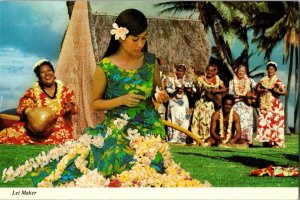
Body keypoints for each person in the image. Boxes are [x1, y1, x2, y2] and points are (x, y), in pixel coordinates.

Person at [2, 9, 208, 188]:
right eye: (135, 39)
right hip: (117, 129)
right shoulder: (105, 66)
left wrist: (161, 97)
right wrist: (122, 100)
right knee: (115, 162)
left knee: (151, 166)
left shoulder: (151, 62)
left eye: (144, 38)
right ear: (120, 36)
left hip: (149, 128)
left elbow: (156, 92)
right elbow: (95, 104)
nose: (140, 44)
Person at [0, 59, 78, 144]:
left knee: (63, 137)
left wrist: (69, 110)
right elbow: (21, 108)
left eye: (49, 70)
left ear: (53, 72)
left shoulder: (66, 91)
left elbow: (75, 109)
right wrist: (31, 113)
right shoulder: (32, 92)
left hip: (58, 127)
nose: (47, 73)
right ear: (39, 77)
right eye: (42, 72)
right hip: (34, 130)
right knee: (10, 134)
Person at [191, 64, 227, 141]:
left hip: (211, 104)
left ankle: (207, 138)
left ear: (214, 71)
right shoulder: (201, 79)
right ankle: (197, 138)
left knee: (208, 120)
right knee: (198, 119)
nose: (209, 72)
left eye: (211, 70)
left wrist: (216, 90)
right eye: (208, 70)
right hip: (201, 102)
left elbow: (225, 89)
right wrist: (199, 89)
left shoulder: (217, 79)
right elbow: (198, 91)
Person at [255, 61, 286, 148]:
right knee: (264, 122)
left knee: (274, 123)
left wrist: (276, 91)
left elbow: (284, 91)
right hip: (264, 103)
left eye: (272, 69)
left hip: (274, 104)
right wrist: (260, 90)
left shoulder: (277, 81)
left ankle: (276, 142)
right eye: (268, 69)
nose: (270, 70)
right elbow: (256, 88)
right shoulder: (263, 80)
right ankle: (266, 141)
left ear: (275, 70)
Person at [228, 64, 257, 145]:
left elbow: (257, 87)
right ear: (236, 71)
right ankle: (236, 139)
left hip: (247, 106)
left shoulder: (250, 80)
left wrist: (253, 96)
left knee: (247, 123)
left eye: (242, 71)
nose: (240, 72)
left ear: (245, 72)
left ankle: (248, 141)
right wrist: (243, 97)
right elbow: (231, 94)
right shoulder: (232, 81)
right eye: (239, 71)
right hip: (236, 105)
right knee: (237, 122)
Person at [166, 64, 192, 144]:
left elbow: (193, 90)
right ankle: (173, 139)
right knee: (173, 118)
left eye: (181, 71)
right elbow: (168, 89)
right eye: (178, 70)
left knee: (184, 119)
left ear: (184, 72)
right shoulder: (171, 79)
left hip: (184, 101)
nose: (179, 72)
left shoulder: (187, 80)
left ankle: (182, 140)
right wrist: (175, 90)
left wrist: (188, 89)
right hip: (174, 101)